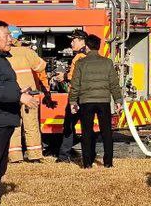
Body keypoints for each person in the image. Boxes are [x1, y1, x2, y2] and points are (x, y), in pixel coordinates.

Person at [0, 20, 39, 206]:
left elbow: (3, 85)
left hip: (4, 119)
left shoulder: (2, 58)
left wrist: (19, 91)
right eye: (7, 35)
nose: (11, 39)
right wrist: (19, 97)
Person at [68, 34, 122, 168]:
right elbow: (114, 84)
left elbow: (75, 85)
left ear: (86, 46)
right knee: (106, 132)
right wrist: (118, 100)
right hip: (103, 101)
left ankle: (87, 163)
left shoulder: (81, 63)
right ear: (98, 47)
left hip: (86, 102)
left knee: (87, 132)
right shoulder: (107, 62)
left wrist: (73, 102)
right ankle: (108, 163)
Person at [7, 26, 50, 163]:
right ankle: (35, 155)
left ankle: (14, 157)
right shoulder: (26, 51)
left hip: (11, 94)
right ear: (18, 38)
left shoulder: (2, 53)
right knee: (31, 125)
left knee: (14, 126)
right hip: (29, 95)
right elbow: (40, 66)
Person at [57, 29, 88, 163]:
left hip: (76, 97)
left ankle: (63, 156)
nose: (71, 43)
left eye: (73, 40)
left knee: (69, 126)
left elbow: (73, 77)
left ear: (81, 41)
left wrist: (62, 76)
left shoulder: (79, 57)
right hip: (88, 97)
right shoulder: (91, 55)